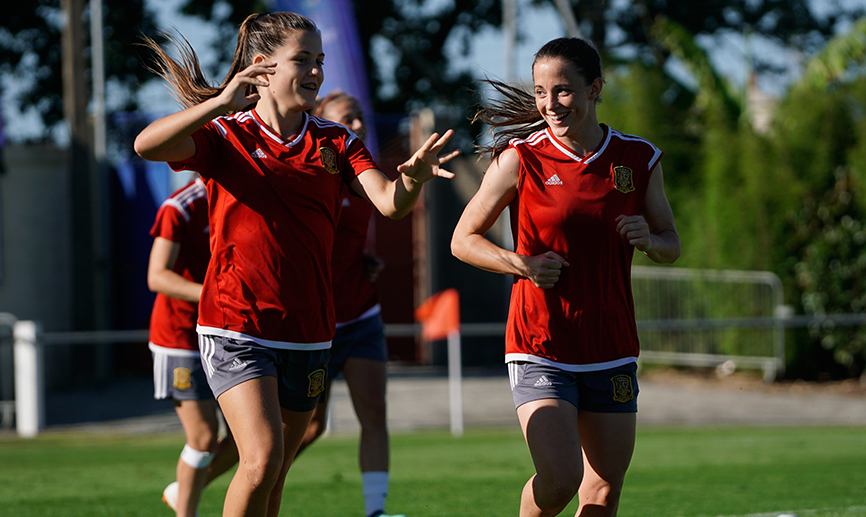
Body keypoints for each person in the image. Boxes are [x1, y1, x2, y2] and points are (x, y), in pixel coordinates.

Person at [134, 12, 458, 517]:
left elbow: (390, 203)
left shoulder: (336, 141)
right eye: (302, 60)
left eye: (320, 61)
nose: (315, 72)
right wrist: (219, 102)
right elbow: (146, 145)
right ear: (262, 67)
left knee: (277, 473)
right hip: (235, 323)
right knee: (260, 460)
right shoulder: (226, 134)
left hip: (308, 329)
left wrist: (411, 178)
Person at [451, 37, 680, 517]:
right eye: (540, 92)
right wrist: (523, 264)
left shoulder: (637, 160)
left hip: (611, 345)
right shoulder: (520, 158)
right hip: (541, 343)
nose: (549, 104)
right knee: (560, 479)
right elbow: (463, 240)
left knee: (601, 494)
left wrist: (649, 239)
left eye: (563, 91)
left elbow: (670, 244)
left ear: (595, 88)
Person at [291, 91, 404, 517]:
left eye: (360, 119)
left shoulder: (364, 175)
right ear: (320, 123)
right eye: (345, 119)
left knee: (374, 413)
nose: (356, 127)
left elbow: (389, 208)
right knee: (308, 428)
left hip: (362, 315)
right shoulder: (307, 175)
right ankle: (253, 484)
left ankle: (376, 511)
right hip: (314, 323)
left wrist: (363, 259)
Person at [146, 174, 238, 517]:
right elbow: (157, 276)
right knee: (202, 436)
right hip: (180, 338)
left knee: (254, 440)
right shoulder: (180, 207)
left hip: (227, 332)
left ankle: (181, 490)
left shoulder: (247, 195)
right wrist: (216, 297)